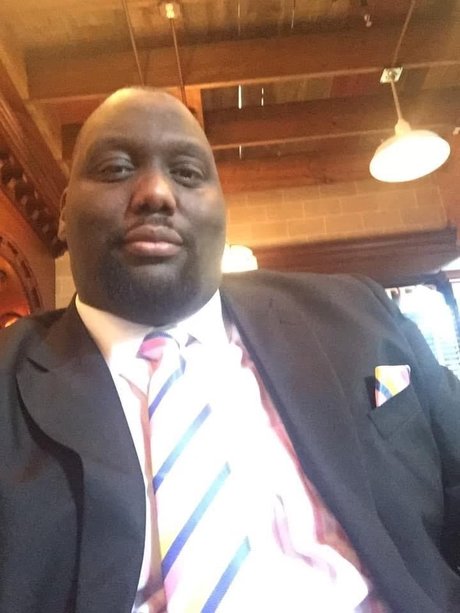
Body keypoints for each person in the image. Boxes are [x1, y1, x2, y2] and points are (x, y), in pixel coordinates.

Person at [1, 87, 459, 613]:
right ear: (63, 212)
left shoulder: (355, 312)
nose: (156, 193)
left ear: (221, 206)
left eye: (187, 173)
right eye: (116, 169)